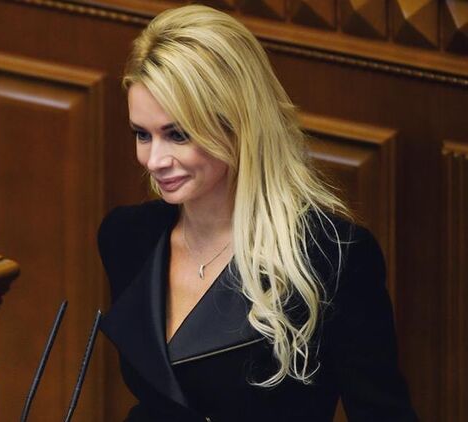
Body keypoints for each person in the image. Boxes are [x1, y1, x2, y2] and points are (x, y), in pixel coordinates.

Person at [97, 5, 417, 421]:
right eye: (143, 134)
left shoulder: (332, 257)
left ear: (238, 124)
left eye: (178, 134)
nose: (154, 160)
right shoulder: (126, 237)